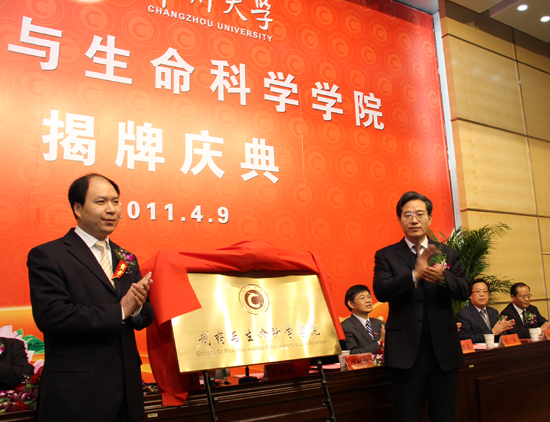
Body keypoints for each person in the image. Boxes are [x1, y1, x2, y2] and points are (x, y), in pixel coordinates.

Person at [27, 173, 154, 422]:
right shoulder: (49, 255)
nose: (111, 209)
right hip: (77, 395)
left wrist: (138, 308)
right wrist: (120, 311)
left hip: (127, 393)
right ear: (77, 208)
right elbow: (51, 315)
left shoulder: (126, 257)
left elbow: (144, 315)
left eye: (115, 202)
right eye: (101, 202)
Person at [373, 191, 470, 422]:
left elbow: (464, 290)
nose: (414, 220)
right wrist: (414, 275)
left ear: (430, 218)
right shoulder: (386, 255)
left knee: (445, 417)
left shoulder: (447, 253)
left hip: (443, 352)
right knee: (407, 416)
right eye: (407, 215)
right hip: (405, 353)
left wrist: (444, 278)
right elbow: (381, 291)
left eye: (419, 214)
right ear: (400, 220)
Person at [341, 285, 385, 354]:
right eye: (362, 298)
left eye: (369, 297)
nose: (368, 300)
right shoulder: (345, 327)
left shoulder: (379, 323)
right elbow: (352, 353)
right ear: (351, 304)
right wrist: (379, 343)